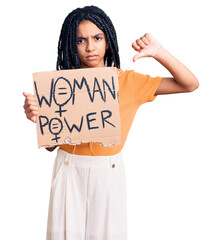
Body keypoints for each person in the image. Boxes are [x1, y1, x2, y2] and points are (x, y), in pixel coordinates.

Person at [23, 5, 199, 240]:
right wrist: (39, 119)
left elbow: (189, 84)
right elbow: (51, 146)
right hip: (67, 170)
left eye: (97, 37)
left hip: (108, 172)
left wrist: (159, 52)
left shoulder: (128, 81)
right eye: (80, 40)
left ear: (108, 40)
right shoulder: (61, 87)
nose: (90, 46)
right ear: (71, 44)